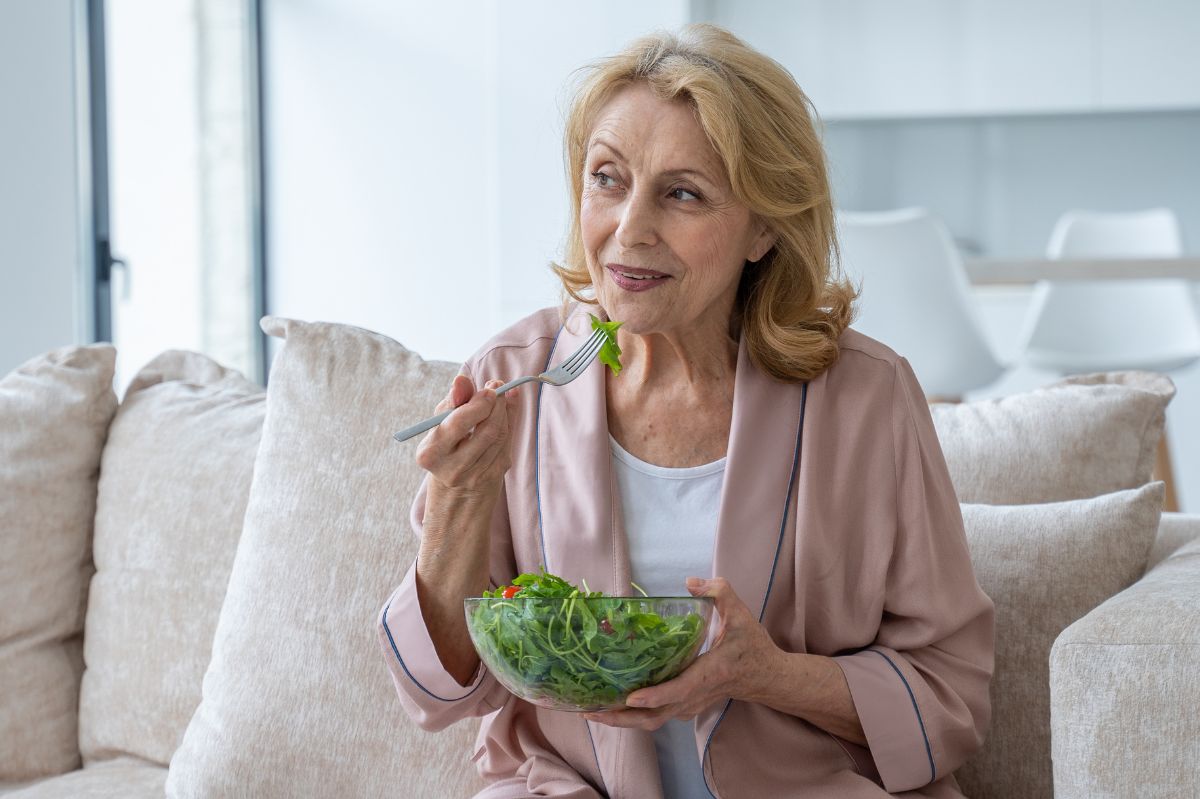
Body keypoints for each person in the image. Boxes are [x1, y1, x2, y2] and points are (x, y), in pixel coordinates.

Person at [378, 23, 993, 798]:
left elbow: (952, 698)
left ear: (764, 228)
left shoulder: (867, 400)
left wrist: (770, 675)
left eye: (682, 193)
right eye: (608, 178)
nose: (628, 230)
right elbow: (437, 694)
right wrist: (457, 507)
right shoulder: (513, 381)